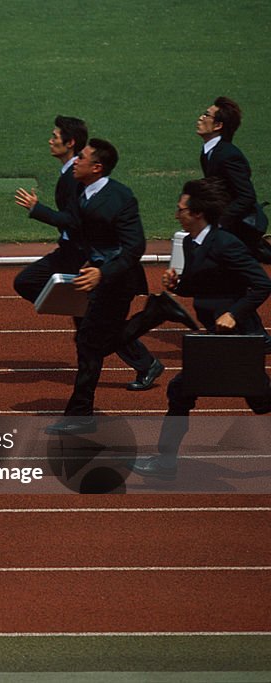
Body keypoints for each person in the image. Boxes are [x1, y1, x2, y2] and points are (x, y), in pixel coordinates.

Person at [131, 178, 271, 480]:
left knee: (185, 390)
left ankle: (165, 461)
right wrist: (178, 284)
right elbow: (204, 284)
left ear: (197, 214)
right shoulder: (193, 243)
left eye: (181, 209)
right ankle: (166, 461)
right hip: (218, 339)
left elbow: (262, 283)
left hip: (238, 340)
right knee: (256, 399)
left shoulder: (225, 243)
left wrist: (234, 313)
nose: (176, 214)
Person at [15, 139, 158, 434]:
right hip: (95, 275)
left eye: (82, 156)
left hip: (118, 281)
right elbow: (72, 223)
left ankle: (156, 315)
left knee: (91, 343)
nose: (75, 160)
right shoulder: (83, 192)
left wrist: (102, 273)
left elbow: (134, 248)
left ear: (97, 167)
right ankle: (81, 412)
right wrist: (37, 209)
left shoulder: (120, 197)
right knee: (90, 342)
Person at [196, 97, 270, 259]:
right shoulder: (208, 151)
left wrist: (220, 222)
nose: (201, 118)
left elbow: (247, 196)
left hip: (238, 227)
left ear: (218, 125)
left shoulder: (228, 155)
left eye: (206, 115)